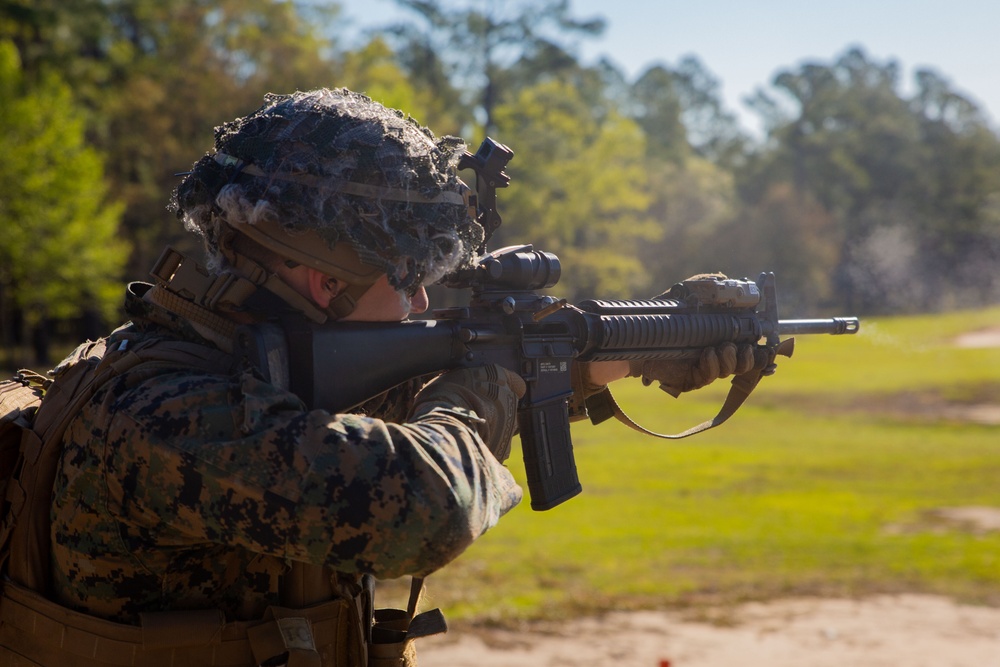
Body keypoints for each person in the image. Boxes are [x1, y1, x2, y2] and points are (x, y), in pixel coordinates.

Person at [0, 88, 755, 667]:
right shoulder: (165, 412)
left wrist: (612, 356)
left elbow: (373, 423)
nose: (424, 299)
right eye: (410, 274)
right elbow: (423, 507)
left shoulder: (233, 366)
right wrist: (492, 377)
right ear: (327, 277)